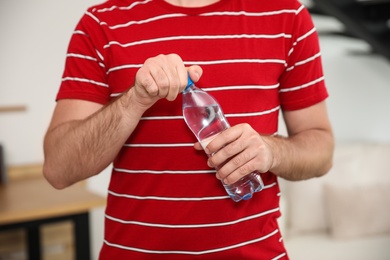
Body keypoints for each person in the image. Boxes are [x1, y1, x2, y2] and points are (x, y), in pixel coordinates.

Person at [43, 0, 334, 259]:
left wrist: (271, 151)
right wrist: (134, 100)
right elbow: (59, 169)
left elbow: (320, 150)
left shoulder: (287, 15)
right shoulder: (101, 23)